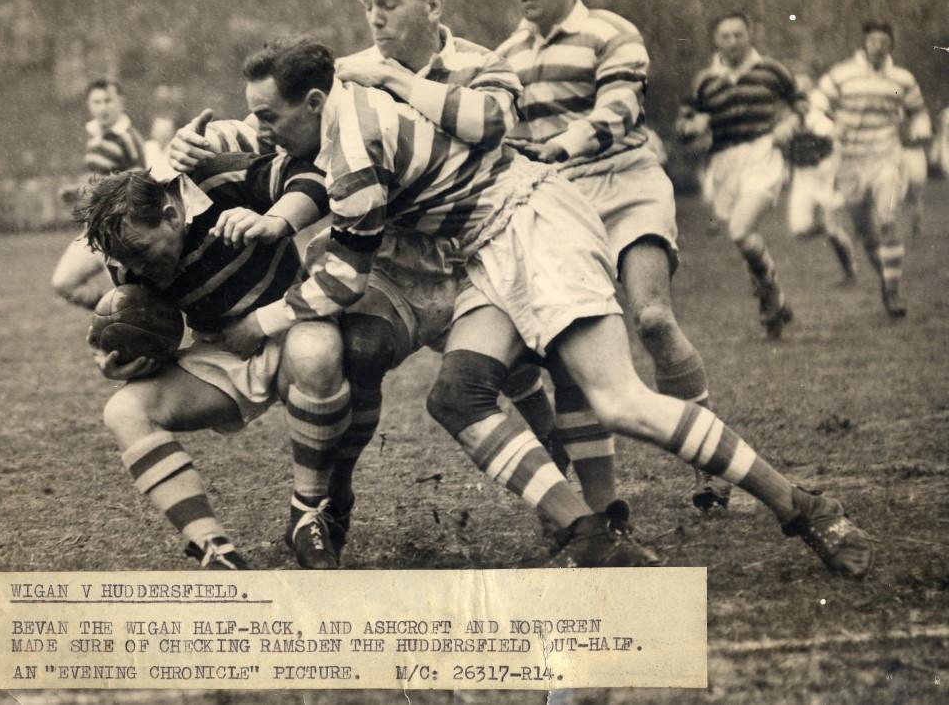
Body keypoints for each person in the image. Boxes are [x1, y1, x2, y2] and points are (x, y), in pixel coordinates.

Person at [230, 37, 875, 579]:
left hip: (537, 222)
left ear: (312, 103)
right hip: (490, 243)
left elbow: (343, 280)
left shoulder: (352, 142)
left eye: (269, 117)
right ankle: (588, 534)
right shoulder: (340, 101)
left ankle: (803, 506)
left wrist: (254, 325)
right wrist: (206, 146)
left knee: (620, 401)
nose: (264, 131)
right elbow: (269, 152)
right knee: (458, 395)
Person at [169, 0, 566, 569]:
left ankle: (560, 477)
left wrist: (401, 84)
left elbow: (491, 123)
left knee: (506, 372)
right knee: (358, 352)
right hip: (396, 248)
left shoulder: (482, 64)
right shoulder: (350, 74)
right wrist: (199, 141)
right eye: (367, 7)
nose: (375, 18)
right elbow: (268, 125)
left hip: (479, 242)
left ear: (432, 5)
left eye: (387, 4)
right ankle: (333, 498)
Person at [496, 0, 729, 511]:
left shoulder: (612, 32)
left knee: (651, 317)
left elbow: (619, 109)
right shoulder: (505, 58)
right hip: (563, 204)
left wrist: (563, 145)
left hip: (627, 184)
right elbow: (500, 133)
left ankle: (708, 463)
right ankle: (605, 508)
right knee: (574, 356)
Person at [73, 143, 334, 570]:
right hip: (223, 349)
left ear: (172, 216)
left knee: (317, 352)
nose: (135, 268)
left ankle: (307, 514)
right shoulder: (127, 263)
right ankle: (214, 549)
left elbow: (312, 177)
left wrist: (273, 220)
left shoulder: (214, 180)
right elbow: (161, 332)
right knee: (123, 411)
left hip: (293, 324)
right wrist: (124, 361)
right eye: (124, 259)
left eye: (141, 251)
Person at [678, 12, 805, 339]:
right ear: (716, 41)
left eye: (738, 34)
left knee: (740, 230)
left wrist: (789, 125)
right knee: (746, 240)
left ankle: (772, 294)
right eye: (725, 36)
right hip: (725, 165)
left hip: (762, 155)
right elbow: (685, 124)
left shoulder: (771, 70)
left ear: (750, 35)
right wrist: (692, 128)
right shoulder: (705, 81)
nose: (732, 42)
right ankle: (773, 301)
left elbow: (801, 102)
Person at [810, 21, 931, 317]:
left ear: (891, 45)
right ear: (864, 43)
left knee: (888, 220)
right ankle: (886, 278)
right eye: (874, 41)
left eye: (884, 42)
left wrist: (919, 130)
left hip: (886, 158)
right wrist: (827, 128)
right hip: (850, 160)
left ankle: (893, 292)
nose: (879, 46)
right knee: (866, 234)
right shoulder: (842, 75)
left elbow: (919, 113)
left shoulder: (902, 79)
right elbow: (815, 108)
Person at [51, 80, 145, 309]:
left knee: (130, 298)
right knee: (64, 281)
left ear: (121, 102)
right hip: (95, 229)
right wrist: (78, 190)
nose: (103, 107)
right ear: (89, 105)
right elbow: (101, 178)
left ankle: (126, 332)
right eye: (97, 102)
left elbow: (136, 184)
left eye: (108, 100)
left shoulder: (128, 138)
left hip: (119, 231)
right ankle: (107, 320)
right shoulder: (95, 135)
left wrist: (89, 190)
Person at [785, 70, 857, 283]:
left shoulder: (817, 108)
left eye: (802, 86)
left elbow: (833, 133)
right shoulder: (787, 112)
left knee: (832, 228)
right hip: (802, 175)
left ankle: (849, 269)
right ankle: (827, 227)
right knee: (799, 230)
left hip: (824, 173)